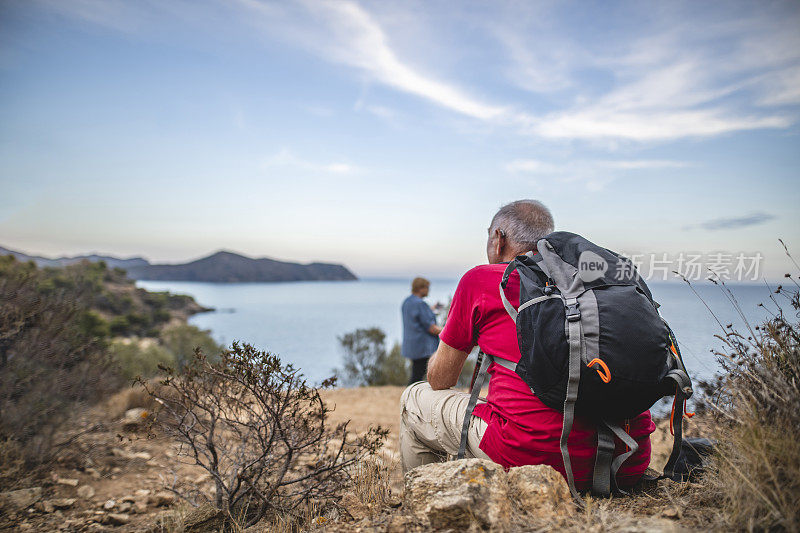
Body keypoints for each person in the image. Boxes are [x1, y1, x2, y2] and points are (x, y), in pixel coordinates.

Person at [399, 200, 655, 491]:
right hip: (627, 459)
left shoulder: (482, 279)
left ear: (498, 239)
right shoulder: (594, 282)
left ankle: (429, 495)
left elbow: (441, 379)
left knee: (415, 396)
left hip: (532, 457)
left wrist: (451, 335)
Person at [401, 277, 443, 384]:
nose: (429, 290)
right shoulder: (420, 304)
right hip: (423, 348)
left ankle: (410, 397)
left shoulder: (407, 302)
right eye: (427, 287)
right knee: (417, 378)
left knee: (416, 374)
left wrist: (430, 310)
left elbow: (416, 319)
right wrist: (449, 330)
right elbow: (431, 328)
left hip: (412, 346)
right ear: (420, 288)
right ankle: (410, 399)